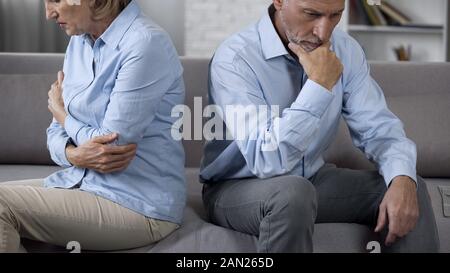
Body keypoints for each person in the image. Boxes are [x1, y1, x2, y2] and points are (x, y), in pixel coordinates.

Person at [200, 0, 439, 253]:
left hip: (312, 180)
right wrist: (319, 86)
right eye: (311, 14)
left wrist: (402, 177)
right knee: (292, 194)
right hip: (237, 187)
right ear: (279, 2)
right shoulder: (235, 58)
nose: (324, 32)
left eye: (335, 15)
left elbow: (378, 128)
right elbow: (266, 159)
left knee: (408, 186)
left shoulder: (346, 50)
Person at [0, 0, 186, 252]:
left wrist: (63, 114)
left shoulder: (145, 43)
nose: (48, 14)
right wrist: (73, 154)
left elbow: (111, 145)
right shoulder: (78, 43)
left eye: (55, 0)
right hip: (81, 184)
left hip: (138, 205)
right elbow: (54, 134)